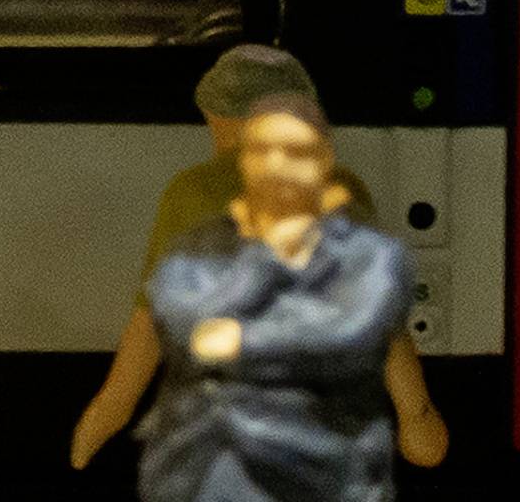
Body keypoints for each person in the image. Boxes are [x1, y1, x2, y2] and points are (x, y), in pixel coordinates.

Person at [70, 44, 446, 474]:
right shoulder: (342, 188)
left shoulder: (192, 192)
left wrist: (105, 414)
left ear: (224, 119)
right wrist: (417, 414)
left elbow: (149, 326)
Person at [139, 94, 424, 502]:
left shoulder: (368, 256)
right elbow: (191, 329)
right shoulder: (199, 244)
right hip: (218, 484)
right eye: (262, 150)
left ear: (324, 160)